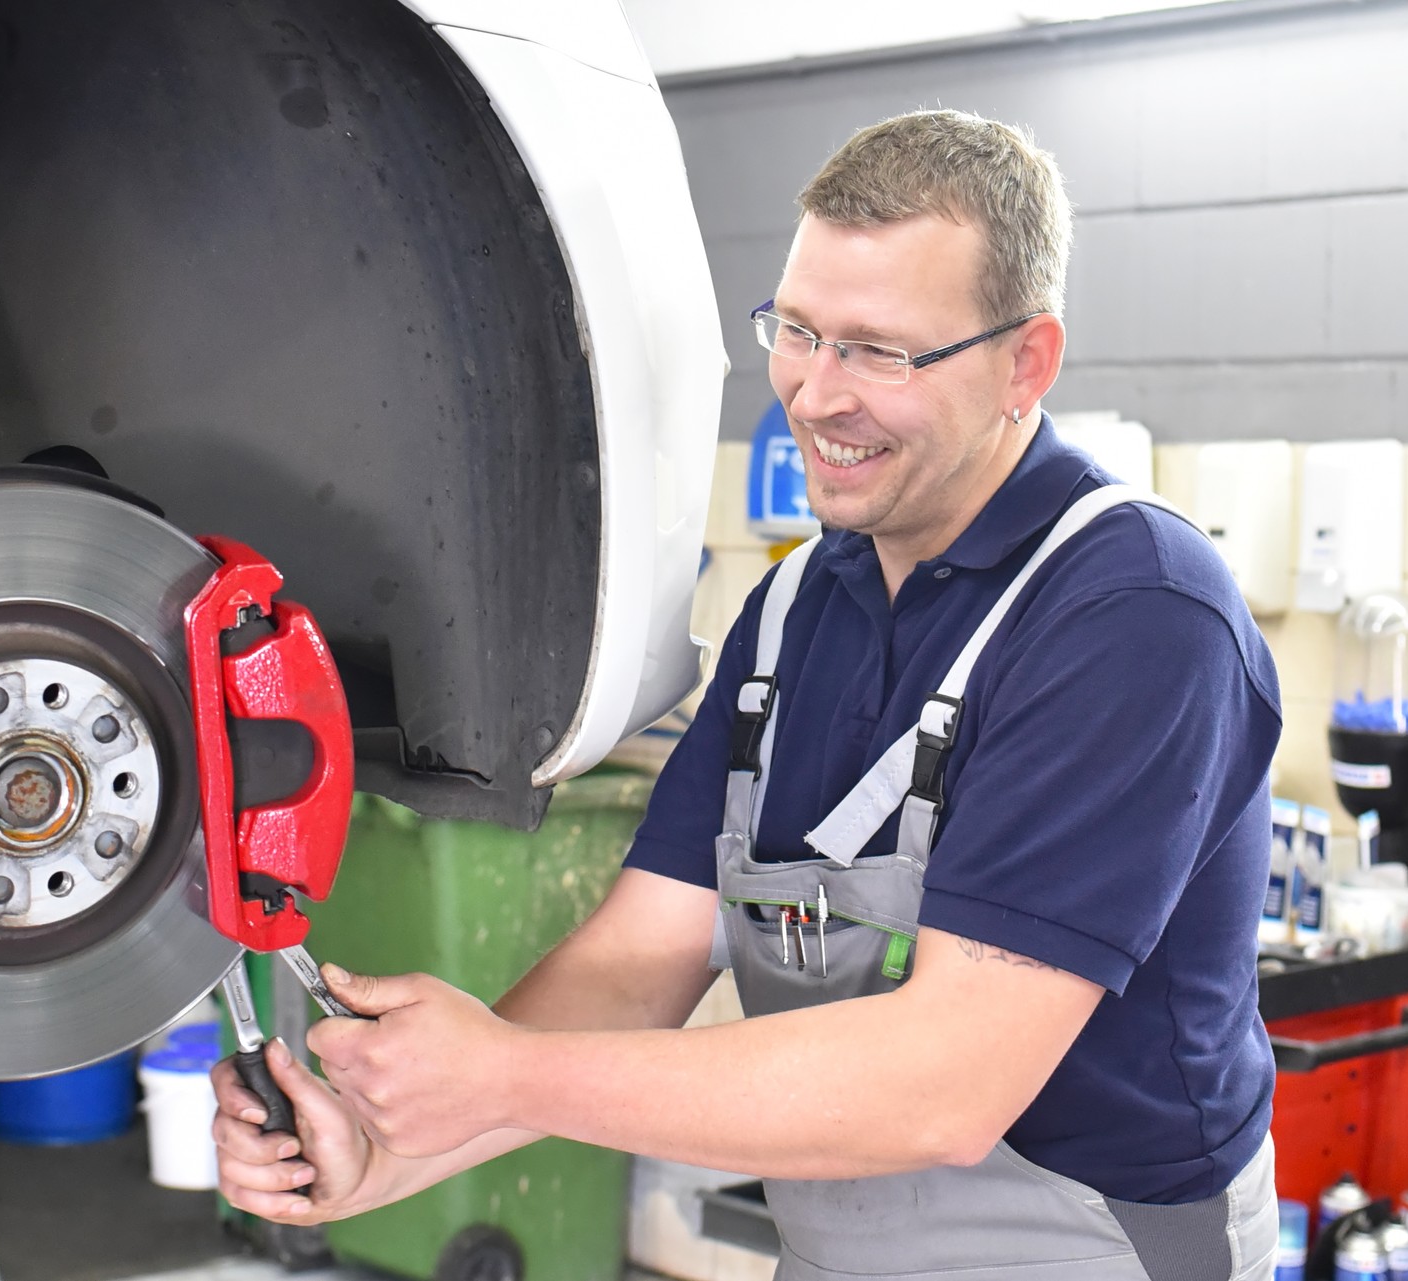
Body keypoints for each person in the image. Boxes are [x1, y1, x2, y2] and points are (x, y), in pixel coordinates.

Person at [211, 109, 1281, 1280]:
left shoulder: (1133, 615)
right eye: (800, 332)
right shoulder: (790, 614)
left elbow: (947, 1085)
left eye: (880, 350)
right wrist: (384, 1146)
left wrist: (497, 1073)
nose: (815, 397)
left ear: (1025, 363)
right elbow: (642, 959)